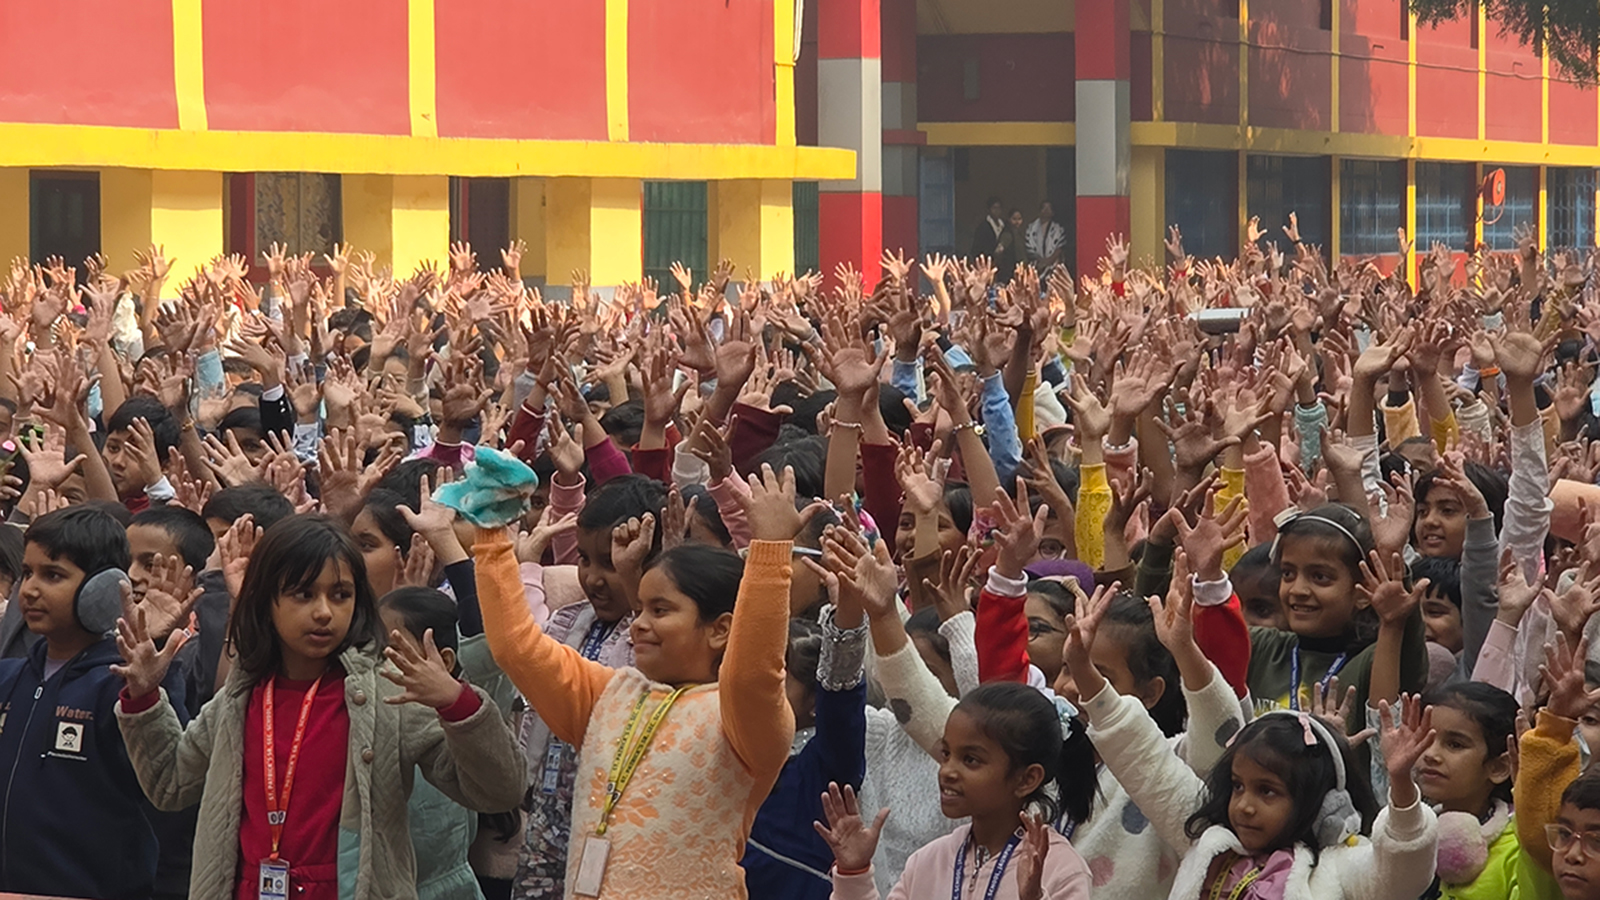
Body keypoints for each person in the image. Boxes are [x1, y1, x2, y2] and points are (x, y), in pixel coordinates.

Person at [113, 514, 525, 900]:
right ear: (266, 601)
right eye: (303, 594)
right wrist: (145, 696)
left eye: (340, 594)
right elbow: (169, 783)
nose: (324, 612)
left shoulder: (388, 692)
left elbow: (496, 791)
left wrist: (457, 703)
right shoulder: (242, 695)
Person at [477, 463, 800, 899]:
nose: (637, 624)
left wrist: (770, 552)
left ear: (721, 629)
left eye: (660, 611)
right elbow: (516, 648)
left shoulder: (741, 717)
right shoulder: (610, 694)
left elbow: (753, 674)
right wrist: (492, 536)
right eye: (641, 609)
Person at [0, 505, 180, 899]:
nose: (29, 589)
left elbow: (170, 782)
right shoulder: (7, 678)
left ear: (102, 588)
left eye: (53, 575)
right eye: (27, 573)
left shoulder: (123, 684)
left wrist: (147, 690)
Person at [817, 681, 1095, 899]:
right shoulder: (929, 861)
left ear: (1027, 779)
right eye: (947, 754)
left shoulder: (1058, 868)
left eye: (970, 760)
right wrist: (854, 873)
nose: (947, 771)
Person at [1023, 201, 1066, 277]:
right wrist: (1041, 261)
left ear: (1053, 212)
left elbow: (1060, 247)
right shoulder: (1031, 228)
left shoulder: (1058, 229)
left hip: (1052, 266)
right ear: (1039, 211)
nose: (1046, 210)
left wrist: (1048, 261)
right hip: (1036, 266)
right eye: (1044, 208)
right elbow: (1029, 247)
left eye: (1048, 208)